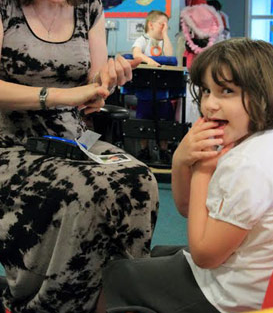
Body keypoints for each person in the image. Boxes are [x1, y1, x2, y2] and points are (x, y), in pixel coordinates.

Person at [0, 0, 158, 313]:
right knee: (85, 191)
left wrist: (110, 80)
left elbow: (95, 87)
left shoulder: (88, 4)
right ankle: (51, 304)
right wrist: (58, 96)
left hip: (71, 138)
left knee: (140, 182)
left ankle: (113, 300)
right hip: (10, 142)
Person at [101, 38, 273, 313]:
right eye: (206, 91)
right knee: (157, 252)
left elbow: (205, 256)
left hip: (226, 297)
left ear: (264, 96)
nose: (210, 105)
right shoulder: (251, 142)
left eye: (226, 91)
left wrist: (202, 172)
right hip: (248, 281)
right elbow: (188, 208)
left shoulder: (247, 163)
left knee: (117, 274)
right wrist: (181, 160)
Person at [132, 10, 174, 164]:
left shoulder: (164, 42)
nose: (165, 28)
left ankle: (164, 150)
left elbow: (170, 56)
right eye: (162, 25)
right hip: (145, 92)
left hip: (162, 93)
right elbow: (136, 53)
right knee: (144, 121)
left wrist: (165, 35)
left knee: (164, 122)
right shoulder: (143, 39)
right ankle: (144, 150)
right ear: (151, 24)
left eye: (166, 26)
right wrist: (149, 60)